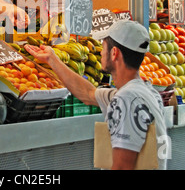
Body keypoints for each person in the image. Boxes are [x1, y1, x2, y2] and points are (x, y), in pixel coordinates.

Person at [25, 19, 169, 170]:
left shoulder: (126, 99)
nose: (100, 51)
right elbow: (88, 93)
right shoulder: (145, 92)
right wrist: (52, 59)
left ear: (114, 53)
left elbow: (122, 167)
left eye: (103, 46)